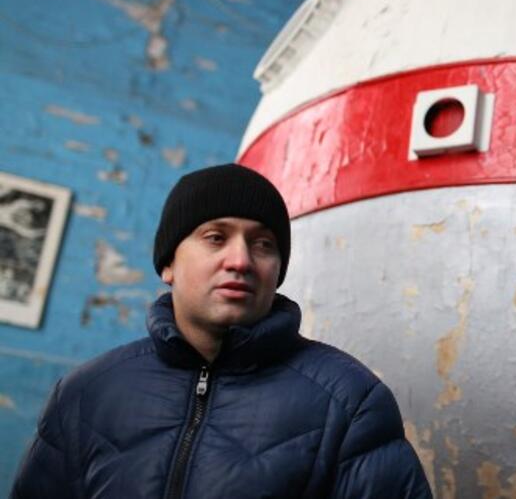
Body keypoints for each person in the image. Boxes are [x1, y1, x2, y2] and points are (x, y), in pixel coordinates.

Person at [11, 164, 432, 498]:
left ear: (278, 271)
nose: (241, 260)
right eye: (215, 237)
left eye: (263, 244)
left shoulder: (350, 401)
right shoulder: (86, 394)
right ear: (168, 264)